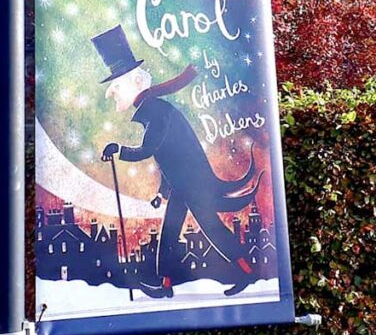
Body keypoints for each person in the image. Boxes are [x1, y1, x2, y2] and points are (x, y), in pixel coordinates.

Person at [92, 25, 261, 299]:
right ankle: (167, 285)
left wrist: (118, 149)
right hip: (183, 186)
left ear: (136, 82)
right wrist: (162, 193)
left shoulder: (157, 112)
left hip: (191, 187)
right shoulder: (154, 110)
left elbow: (148, 150)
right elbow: (167, 158)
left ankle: (244, 272)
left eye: (116, 85)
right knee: (171, 235)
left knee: (210, 230)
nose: (112, 93)